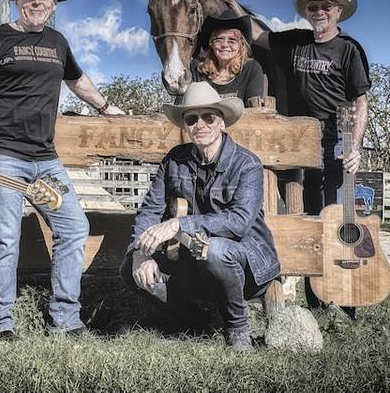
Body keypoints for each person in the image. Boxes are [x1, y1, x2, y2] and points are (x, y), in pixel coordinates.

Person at [0, 0, 124, 341]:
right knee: (5, 238)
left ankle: (65, 319)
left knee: (74, 227)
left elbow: (77, 81)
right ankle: (0, 323)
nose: (37, 2)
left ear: (54, 4)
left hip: (46, 160)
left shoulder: (58, 43)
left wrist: (107, 107)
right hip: (3, 157)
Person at [213, 0, 370, 318]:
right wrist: (231, 0)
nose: (320, 12)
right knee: (311, 215)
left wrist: (355, 145)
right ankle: (318, 301)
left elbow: (360, 101)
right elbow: (257, 35)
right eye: (313, 7)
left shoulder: (348, 49)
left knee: (337, 215)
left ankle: (347, 300)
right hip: (301, 139)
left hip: (337, 137)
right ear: (306, 12)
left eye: (326, 6)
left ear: (338, 10)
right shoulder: (295, 41)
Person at [120, 82, 280, 350]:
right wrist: (140, 251)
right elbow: (150, 209)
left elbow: (239, 222)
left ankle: (238, 330)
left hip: (246, 265)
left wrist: (179, 224)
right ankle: (195, 322)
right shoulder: (174, 160)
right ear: (185, 125)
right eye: (192, 119)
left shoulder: (247, 164)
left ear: (222, 122)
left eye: (209, 117)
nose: (200, 125)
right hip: (192, 262)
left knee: (215, 250)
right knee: (130, 268)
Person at [187, 10, 265, 106]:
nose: (225, 45)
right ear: (211, 43)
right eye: (219, 39)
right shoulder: (197, 69)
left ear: (241, 45)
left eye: (232, 40)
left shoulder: (251, 69)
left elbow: (254, 108)